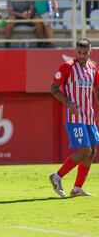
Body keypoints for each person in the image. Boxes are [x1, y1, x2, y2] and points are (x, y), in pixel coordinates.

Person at [49, 38, 99, 198]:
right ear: (75, 52)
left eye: (85, 53)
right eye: (79, 53)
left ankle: (77, 188)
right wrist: (68, 103)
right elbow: (53, 88)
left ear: (89, 52)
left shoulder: (93, 68)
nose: (82, 56)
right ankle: (57, 176)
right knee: (85, 150)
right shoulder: (67, 67)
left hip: (89, 116)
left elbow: (97, 90)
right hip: (74, 116)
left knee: (92, 152)